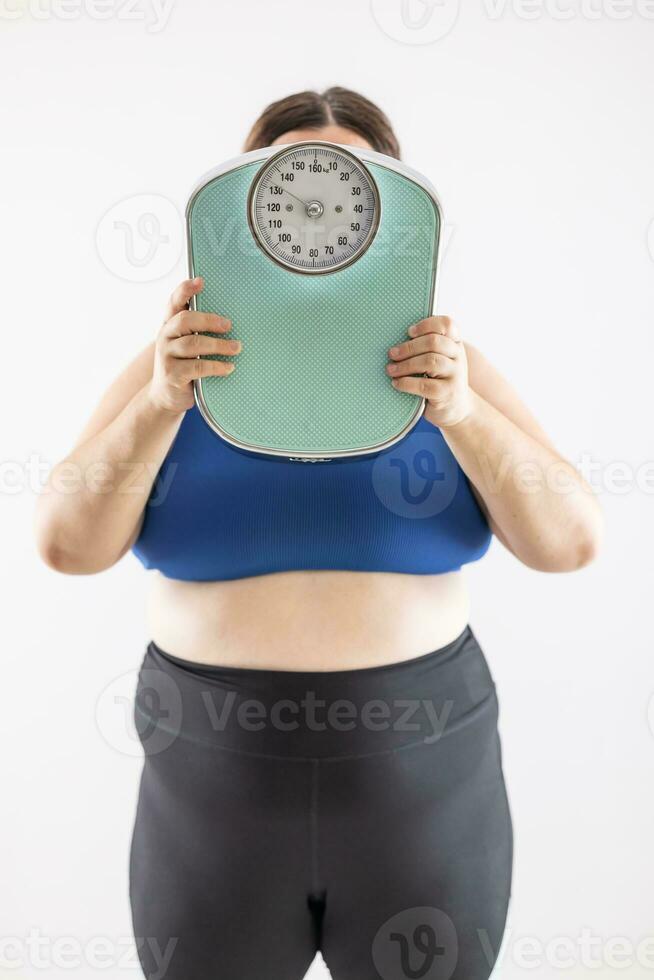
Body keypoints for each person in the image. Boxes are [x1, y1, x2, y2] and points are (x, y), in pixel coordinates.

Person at [35, 87, 603, 980]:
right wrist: (158, 402)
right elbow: (66, 546)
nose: (319, 214)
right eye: (292, 185)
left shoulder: (444, 361)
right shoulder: (179, 359)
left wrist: (458, 411)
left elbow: (570, 543)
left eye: (349, 191)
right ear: (248, 205)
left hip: (425, 764)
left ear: (389, 217)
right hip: (207, 770)